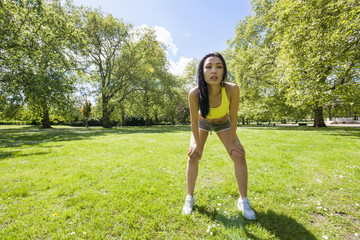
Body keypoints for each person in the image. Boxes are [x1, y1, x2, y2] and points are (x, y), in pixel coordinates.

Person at [182, 52, 256, 220]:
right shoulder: (194, 93)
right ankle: (190, 198)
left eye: (218, 66)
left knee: (239, 154)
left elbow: (234, 117)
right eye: (208, 67)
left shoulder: (232, 89)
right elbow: (194, 121)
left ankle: (243, 200)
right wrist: (196, 145)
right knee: (193, 155)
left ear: (224, 71)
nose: (213, 71)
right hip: (202, 123)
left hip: (223, 124)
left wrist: (232, 144)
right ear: (202, 71)